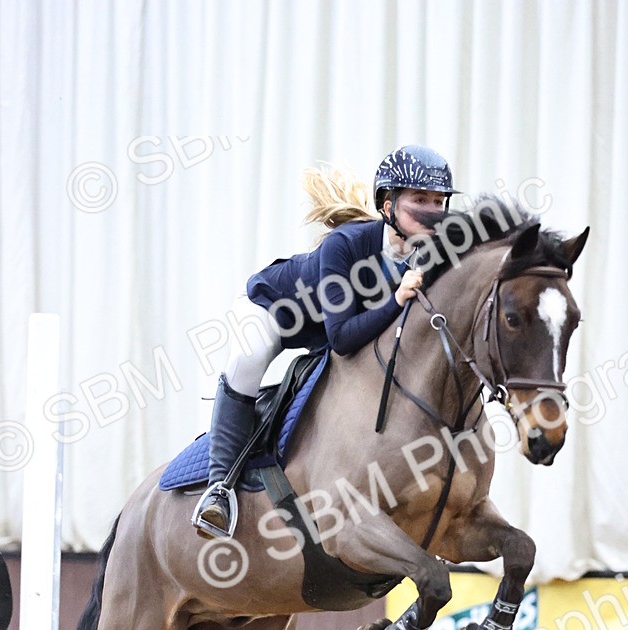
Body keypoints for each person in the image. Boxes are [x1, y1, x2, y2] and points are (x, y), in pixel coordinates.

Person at [193, 144, 458, 538]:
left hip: (329, 331)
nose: (432, 211)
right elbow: (341, 338)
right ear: (388, 205)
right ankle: (219, 491)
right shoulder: (345, 245)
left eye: (439, 201)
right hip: (275, 312)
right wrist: (397, 298)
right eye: (420, 199)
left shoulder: (433, 255)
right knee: (247, 361)